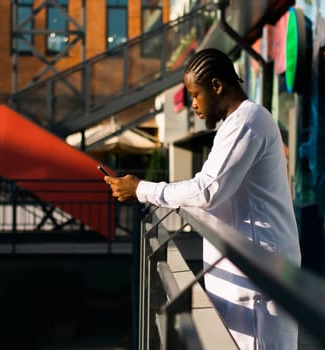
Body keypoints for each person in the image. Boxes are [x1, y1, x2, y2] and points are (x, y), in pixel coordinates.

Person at [103, 48, 301, 349]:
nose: (192, 104)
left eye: (195, 94)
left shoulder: (247, 123)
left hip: (259, 285)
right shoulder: (235, 125)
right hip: (250, 281)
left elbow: (206, 190)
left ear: (217, 86)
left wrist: (141, 189)